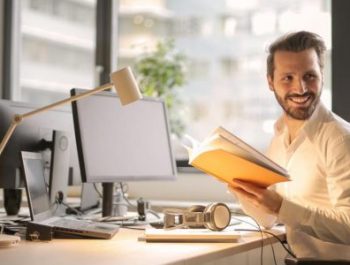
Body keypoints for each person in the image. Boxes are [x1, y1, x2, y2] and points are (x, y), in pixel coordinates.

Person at [229, 31, 350, 259]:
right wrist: (239, 186)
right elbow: (268, 219)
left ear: (322, 76)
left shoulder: (340, 139)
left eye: (310, 76)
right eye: (288, 78)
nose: (301, 88)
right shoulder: (278, 138)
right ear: (270, 82)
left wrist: (281, 207)